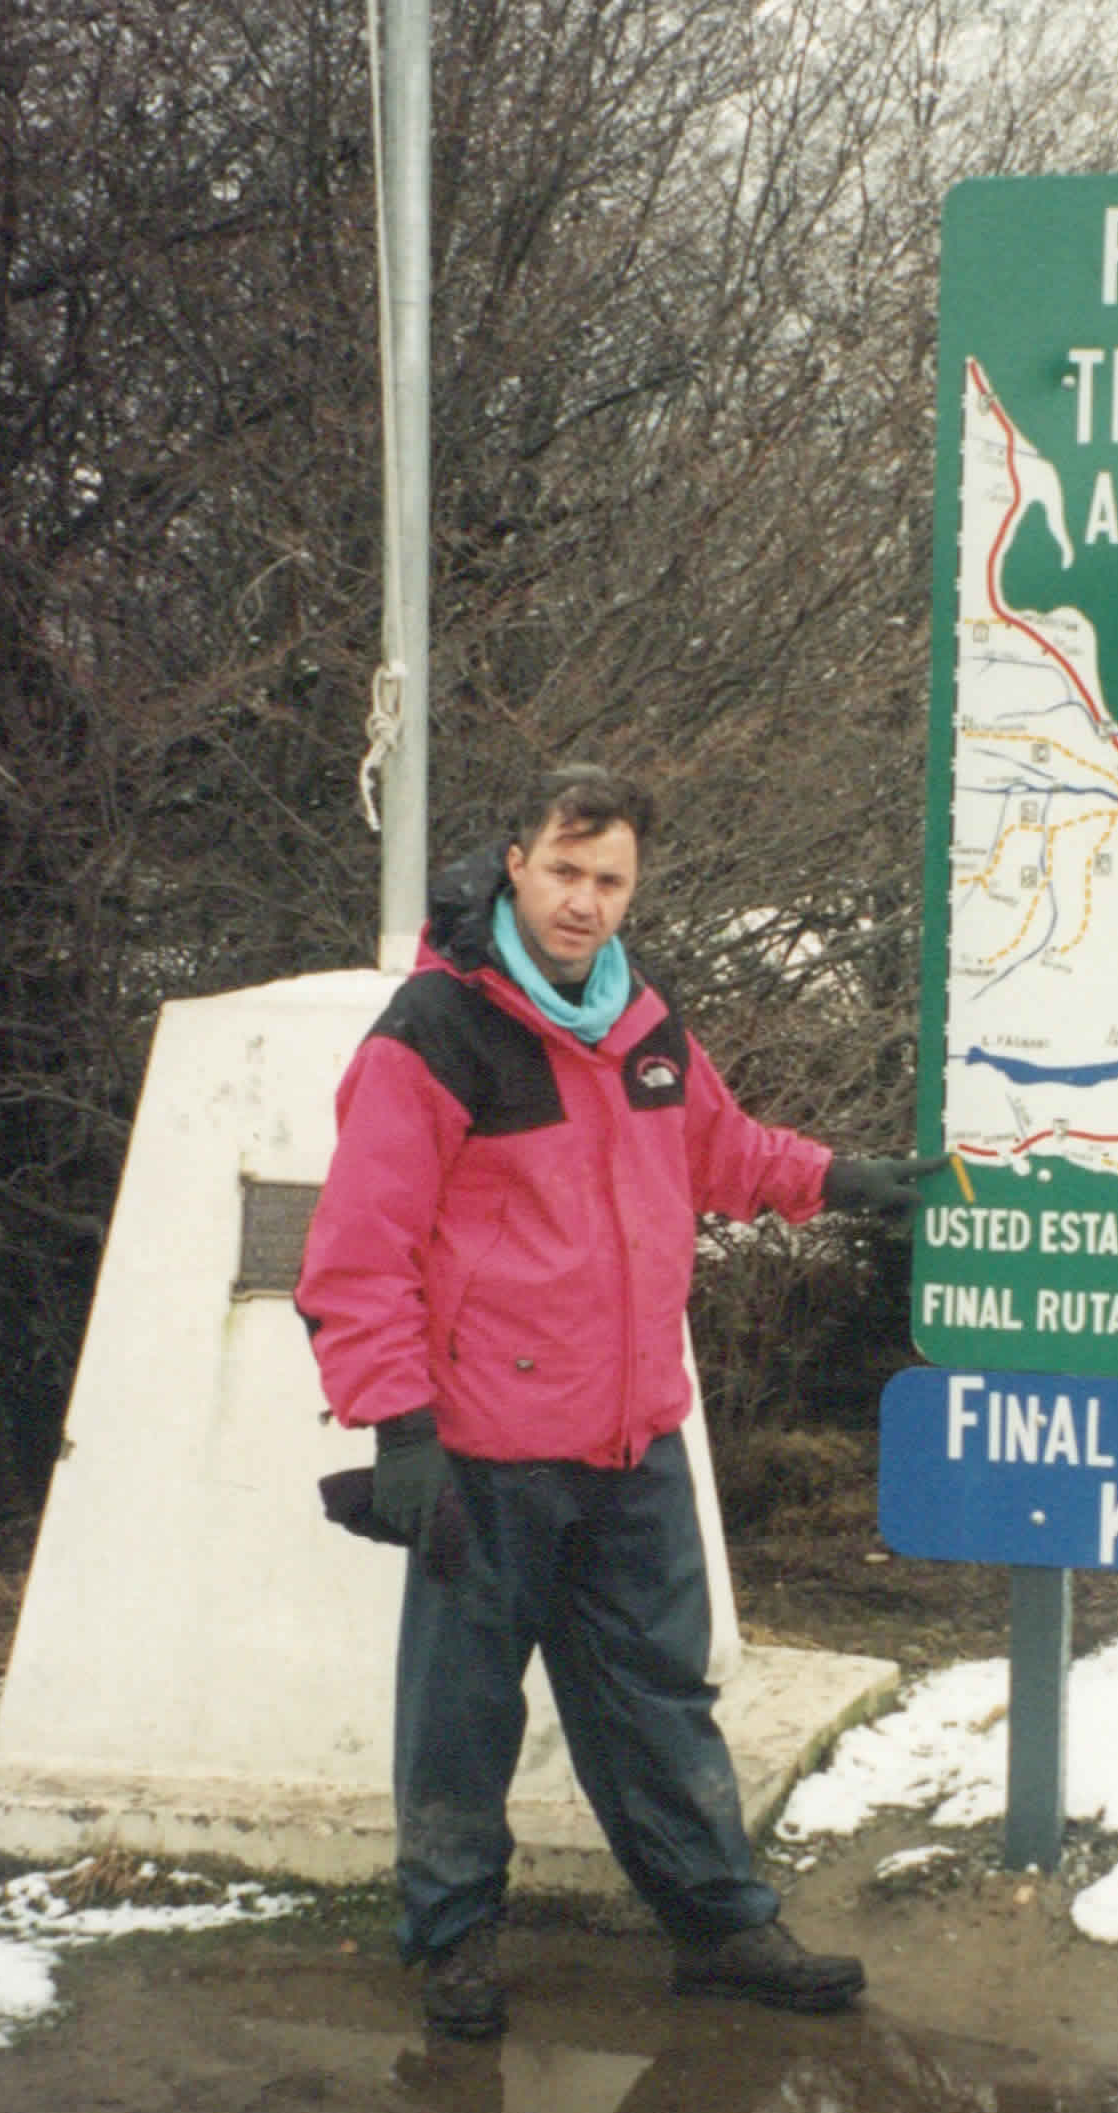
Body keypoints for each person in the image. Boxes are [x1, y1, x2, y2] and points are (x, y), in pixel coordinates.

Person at [296, 762, 941, 2039]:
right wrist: (398, 1425)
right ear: (516, 862)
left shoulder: (640, 1019)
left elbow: (716, 1148)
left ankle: (720, 1926)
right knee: (462, 1710)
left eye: (611, 880)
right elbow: (360, 1248)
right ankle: (455, 1938)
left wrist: (839, 1181)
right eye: (565, 870)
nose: (584, 902)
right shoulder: (432, 1031)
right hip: (482, 1449)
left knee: (658, 1693)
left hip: (633, 1434)